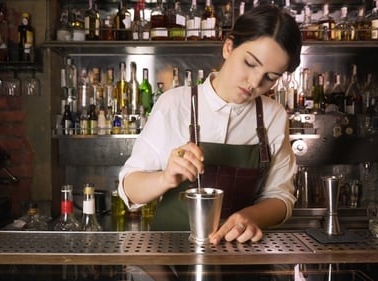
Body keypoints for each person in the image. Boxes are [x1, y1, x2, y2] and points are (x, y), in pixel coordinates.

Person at [118, 3, 302, 246]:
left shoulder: (274, 116)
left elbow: (281, 197)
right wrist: (166, 178)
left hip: (239, 255)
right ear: (228, 47)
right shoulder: (175, 103)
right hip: (167, 251)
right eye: (250, 63)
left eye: (270, 78)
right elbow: (129, 190)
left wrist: (251, 216)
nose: (255, 82)